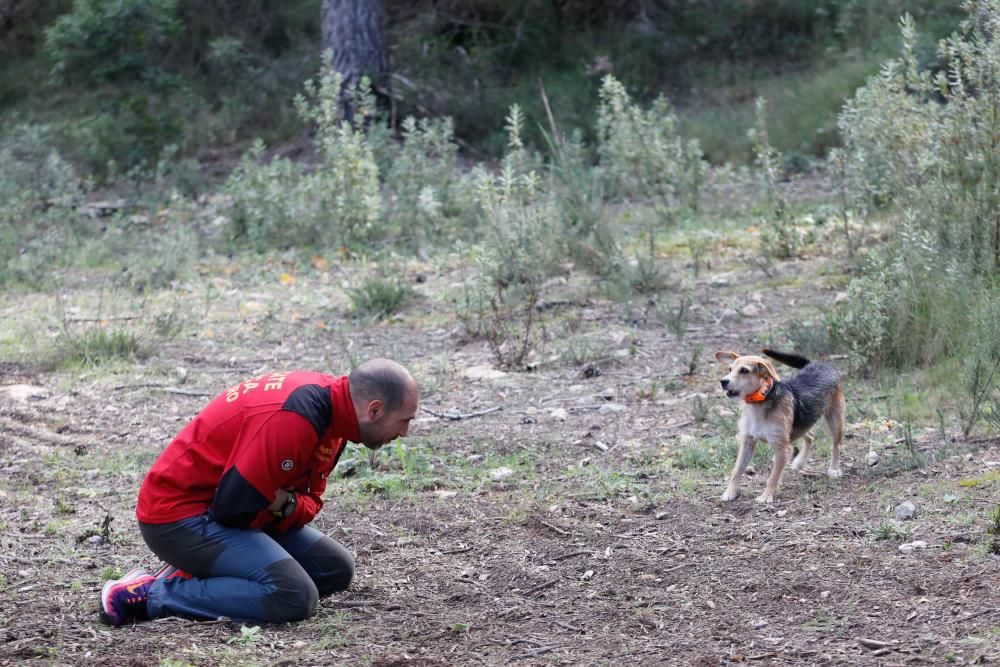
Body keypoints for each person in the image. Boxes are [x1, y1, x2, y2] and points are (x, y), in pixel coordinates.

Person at [99, 359, 420, 626]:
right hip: (176, 516)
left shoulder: (337, 419)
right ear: (374, 410)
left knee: (335, 568)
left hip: (228, 510)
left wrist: (281, 501)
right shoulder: (297, 417)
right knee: (294, 595)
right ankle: (150, 594)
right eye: (403, 421)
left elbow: (308, 503)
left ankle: (202, 571)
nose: (403, 433)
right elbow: (233, 507)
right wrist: (279, 503)